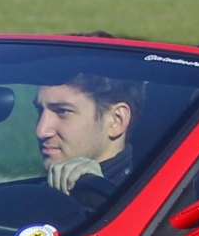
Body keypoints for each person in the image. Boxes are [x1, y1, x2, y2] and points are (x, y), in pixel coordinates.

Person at [35, 72, 143, 211]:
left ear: (116, 120)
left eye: (63, 111)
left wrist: (100, 196)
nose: (41, 131)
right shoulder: (42, 190)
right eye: (39, 110)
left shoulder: (150, 202)